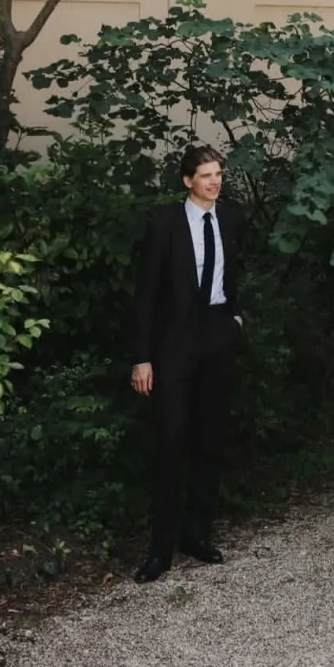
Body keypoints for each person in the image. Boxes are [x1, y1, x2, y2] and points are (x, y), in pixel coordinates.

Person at [131, 146, 244, 584]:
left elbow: (235, 273)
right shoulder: (165, 225)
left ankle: (196, 535)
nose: (215, 181)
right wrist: (142, 357)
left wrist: (235, 320)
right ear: (187, 180)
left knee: (210, 439)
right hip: (174, 343)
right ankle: (160, 550)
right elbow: (146, 294)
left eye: (219, 174)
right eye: (206, 175)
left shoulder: (230, 220)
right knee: (171, 440)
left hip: (217, 335)